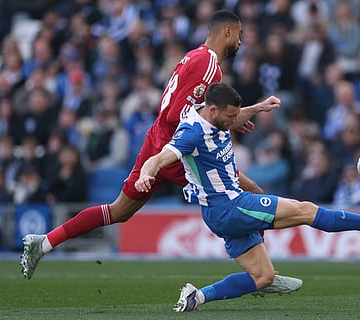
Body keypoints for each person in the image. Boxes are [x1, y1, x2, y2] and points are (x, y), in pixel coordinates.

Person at [21, 10, 301, 295]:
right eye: (239, 34)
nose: (241, 42)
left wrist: (240, 115)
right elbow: (182, 115)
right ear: (227, 31)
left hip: (156, 140)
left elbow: (196, 112)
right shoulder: (209, 67)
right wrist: (237, 116)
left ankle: (43, 242)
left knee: (119, 211)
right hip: (178, 151)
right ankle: (264, 276)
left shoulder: (194, 56)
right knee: (246, 191)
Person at [133, 82, 360, 312]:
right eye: (230, 117)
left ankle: (197, 297)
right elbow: (159, 158)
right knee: (305, 210)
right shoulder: (191, 132)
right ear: (213, 110)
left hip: (220, 211)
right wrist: (147, 173)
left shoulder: (209, 116)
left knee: (262, 277)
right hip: (229, 206)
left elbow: (220, 153)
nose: (233, 123)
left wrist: (257, 108)